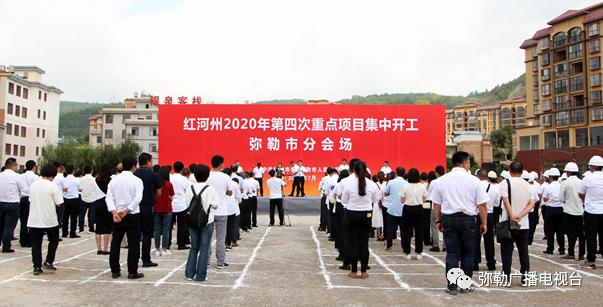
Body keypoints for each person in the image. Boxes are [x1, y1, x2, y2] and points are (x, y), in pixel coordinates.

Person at [431, 151, 489, 295]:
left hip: (449, 218)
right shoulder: (474, 181)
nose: (469, 164)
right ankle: (464, 285)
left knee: (452, 254)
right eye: (468, 162)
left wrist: (438, 220)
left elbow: (436, 204)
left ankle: (452, 286)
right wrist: (484, 223)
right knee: (468, 254)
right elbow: (482, 205)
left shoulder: (441, 180)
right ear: (464, 163)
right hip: (468, 219)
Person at [107, 156, 144, 279]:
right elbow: (138, 198)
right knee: (133, 243)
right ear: (134, 166)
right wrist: (127, 209)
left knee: (115, 242)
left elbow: (109, 197)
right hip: (132, 214)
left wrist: (113, 211)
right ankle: (132, 271)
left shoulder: (114, 180)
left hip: (117, 215)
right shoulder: (137, 180)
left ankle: (115, 270)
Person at [341, 160, 379, 279]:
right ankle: (363, 271)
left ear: (354, 171)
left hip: (352, 214)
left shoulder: (349, 184)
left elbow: (344, 201)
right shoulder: (372, 184)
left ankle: (353, 271)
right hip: (366, 215)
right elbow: (375, 199)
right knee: (364, 243)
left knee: (353, 243)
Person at [499, 161, 535, 286]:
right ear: (522, 171)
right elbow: (531, 204)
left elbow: (505, 201)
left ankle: (507, 278)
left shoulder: (505, 183)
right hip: (524, 223)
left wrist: (512, 215)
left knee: (507, 251)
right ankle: (525, 277)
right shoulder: (528, 185)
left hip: (508, 223)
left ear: (510, 171)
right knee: (523, 251)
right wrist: (521, 215)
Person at [185, 164, 220, 282]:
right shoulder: (210, 189)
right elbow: (215, 205)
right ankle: (200, 276)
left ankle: (189, 274)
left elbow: (187, 203)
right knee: (204, 248)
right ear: (207, 175)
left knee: (194, 247)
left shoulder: (190, 187)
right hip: (207, 221)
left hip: (192, 220)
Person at [27, 164, 64, 275]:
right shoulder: (53, 186)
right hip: (49, 219)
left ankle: (37, 266)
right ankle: (48, 261)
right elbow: (59, 204)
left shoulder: (33, 185)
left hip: (34, 219)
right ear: (53, 175)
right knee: (53, 240)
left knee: (36, 244)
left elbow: (30, 200)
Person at [134, 153, 163, 267]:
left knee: (135, 234)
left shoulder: (134, 174)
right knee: (147, 234)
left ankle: (134, 257)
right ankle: (146, 259)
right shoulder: (154, 175)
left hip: (135, 207)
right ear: (148, 162)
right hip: (147, 207)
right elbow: (159, 192)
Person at [207, 155, 234, 269]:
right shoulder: (225, 177)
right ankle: (220, 261)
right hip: (222, 210)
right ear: (221, 164)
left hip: (209, 210)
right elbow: (230, 192)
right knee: (221, 237)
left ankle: (206, 260)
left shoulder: (207, 175)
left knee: (207, 237)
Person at [579, 155, 603, 269]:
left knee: (591, 236)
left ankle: (591, 259)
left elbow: (581, 193)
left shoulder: (588, 178)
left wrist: (586, 199)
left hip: (591, 211)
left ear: (592, 167)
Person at [400, 168, 428, 259]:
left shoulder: (405, 186)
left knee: (407, 232)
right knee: (419, 231)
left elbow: (402, 200)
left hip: (407, 208)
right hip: (419, 208)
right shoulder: (422, 186)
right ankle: (419, 253)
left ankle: (407, 253)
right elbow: (424, 199)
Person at [0, 158, 26, 253]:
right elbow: (23, 189)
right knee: (9, 226)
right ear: (14, 165)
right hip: (12, 204)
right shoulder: (17, 176)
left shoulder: (1, 175)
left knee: (1, 225)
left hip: (1, 203)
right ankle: (6, 246)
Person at [560, 162, 584, 260]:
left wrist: (567, 200)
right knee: (581, 234)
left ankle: (571, 253)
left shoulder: (565, 183)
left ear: (568, 172)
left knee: (571, 233)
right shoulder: (581, 182)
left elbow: (561, 198)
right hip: (580, 210)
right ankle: (581, 254)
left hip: (569, 210)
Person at [383, 167, 408, 251]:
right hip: (403, 209)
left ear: (396, 173)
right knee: (403, 229)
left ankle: (389, 246)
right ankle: (404, 246)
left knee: (389, 228)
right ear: (404, 173)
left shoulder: (391, 182)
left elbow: (385, 193)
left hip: (392, 209)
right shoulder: (406, 183)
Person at [542, 168, 565, 255]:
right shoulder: (561, 185)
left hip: (550, 209)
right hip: (560, 209)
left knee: (550, 230)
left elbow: (545, 198)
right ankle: (562, 249)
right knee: (560, 231)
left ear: (550, 177)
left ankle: (550, 248)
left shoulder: (548, 186)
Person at [170, 162, 192, 250]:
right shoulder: (184, 180)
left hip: (171, 204)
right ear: (182, 169)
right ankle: (181, 243)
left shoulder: (170, 177)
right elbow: (188, 191)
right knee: (182, 225)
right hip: (182, 205)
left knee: (169, 226)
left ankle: (167, 243)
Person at [481, 171, 500, 271]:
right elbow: (497, 203)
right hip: (490, 214)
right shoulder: (494, 188)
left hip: (478, 213)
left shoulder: (476, 186)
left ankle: (475, 262)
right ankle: (491, 263)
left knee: (475, 239)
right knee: (489, 240)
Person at [154, 166, 174, 256]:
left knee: (157, 230)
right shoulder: (169, 184)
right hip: (167, 208)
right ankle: (165, 249)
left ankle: (157, 249)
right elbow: (172, 197)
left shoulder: (156, 184)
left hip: (157, 208)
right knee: (166, 230)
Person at [19, 160, 39, 247]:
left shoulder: (20, 176)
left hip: (23, 198)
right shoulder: (35, 177)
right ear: (34, 166)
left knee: (23, 221)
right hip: (32, 199)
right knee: (32, 220)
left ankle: (22, 240)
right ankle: (30, 241)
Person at [94, 163, 113, 255]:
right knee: (107, 228)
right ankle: (105, 249)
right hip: (107, 204)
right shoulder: (110, 181)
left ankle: (99, 248)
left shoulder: (96, 180)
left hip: (98, 204)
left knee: (98, 228)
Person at [62, 165, 82, 238]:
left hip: (66, 199)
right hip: (74, 199)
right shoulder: (76, 180)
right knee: (74, 217)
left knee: (65, 217)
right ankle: (72, 233)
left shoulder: (64, 179)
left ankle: (64, 232)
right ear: (73, 171)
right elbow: (80, 189)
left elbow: (64, 189)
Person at [79, 165, 99, 233]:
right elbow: (96, 189)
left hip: (83, 197)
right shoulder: (94, 179)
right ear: (91, 171)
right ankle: (91, 227)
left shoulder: (81, 179)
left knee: (81, 214)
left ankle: (81, 228)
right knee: (91, 214)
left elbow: (79, 188)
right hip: (92, 198)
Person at [420, 172, 431, 247]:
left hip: (422, 204)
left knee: (422, 223)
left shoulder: (420, 186)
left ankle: (423, 239)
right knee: (428, 223)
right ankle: (428, 240)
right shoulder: (429, 185)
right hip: (429, 204)